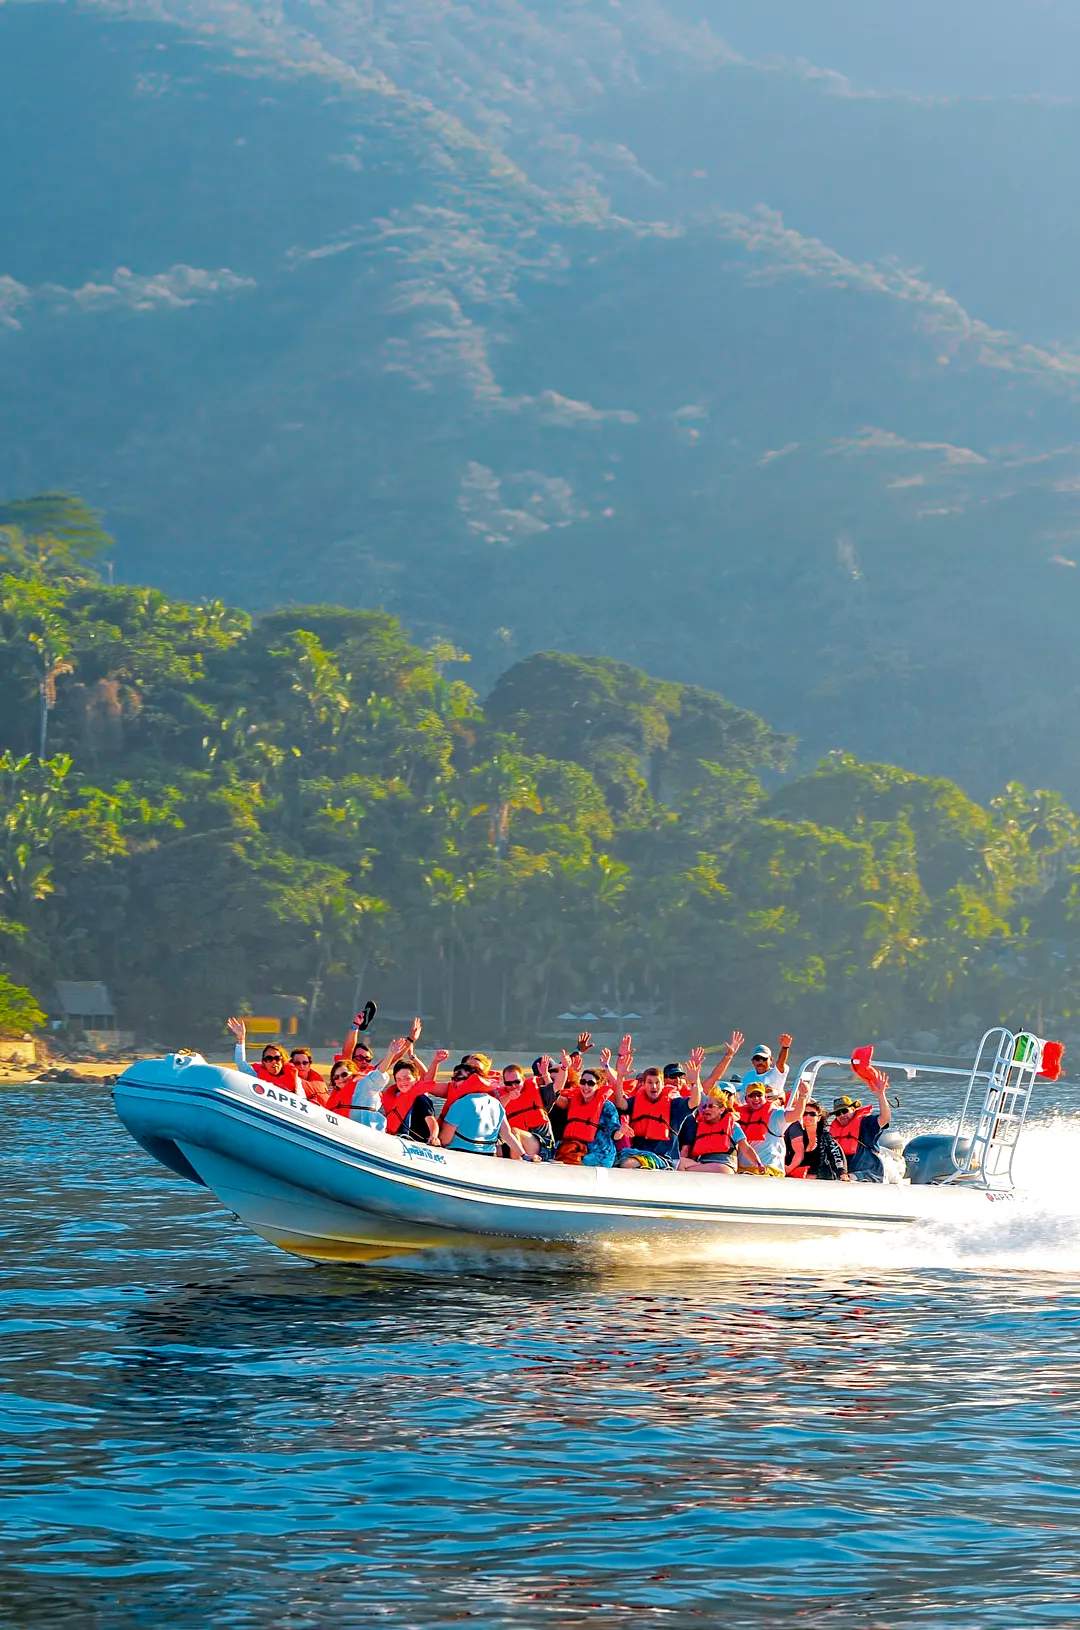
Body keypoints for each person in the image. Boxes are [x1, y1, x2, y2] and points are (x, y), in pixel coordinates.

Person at [616, 1062, 697, 1167]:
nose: (653, 1086)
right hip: (638, 1153)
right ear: (644, 1084)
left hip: (664, 1158)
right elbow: (620, 1104)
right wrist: (620, 1077)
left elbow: (694, 1102)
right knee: (615, 1160)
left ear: (663, 1084)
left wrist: (695, 1082)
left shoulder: (674, 1104)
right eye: (649, 1082)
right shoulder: (636, 1102)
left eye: (657, 1082)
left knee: (628, 1164)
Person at [439, 1072, 534, 1159]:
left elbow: (445, 1140)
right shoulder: (497, 1104)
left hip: (458, 1154)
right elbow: (507, 1135)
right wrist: (524, 1155)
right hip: (488, 1155)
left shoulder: (460, 1103)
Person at [325, 1036, 408, 1129]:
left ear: (352, 1073)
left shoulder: (364, 1084)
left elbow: (379, 1072)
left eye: (344, 1075)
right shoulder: (334, 1096)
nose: (341, 1079)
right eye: (336, 1077)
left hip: (366, 1132)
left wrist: (391, 1054)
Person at [552, 1055, 620, 1167]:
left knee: (574, 1159)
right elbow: (554, 1095)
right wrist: (563, 1068)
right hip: (574, 1147)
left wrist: (622, 1131)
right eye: (583, 1082)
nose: (586, 1086)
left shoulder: (607, 1106)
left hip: (599, 1152)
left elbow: (615, 1134)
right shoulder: (573, 1101)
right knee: (562, 1153)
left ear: (598, 1086)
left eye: (591, 1083)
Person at [679, 1091, 763, 1174]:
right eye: (704, 1107)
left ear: (722, 1109)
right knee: (679, 1163)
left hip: (723, 1166)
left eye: (711, 1106)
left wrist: (758, 1164)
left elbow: (746, 1148)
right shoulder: (699, 1126)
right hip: (703, 1164)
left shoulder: (733, 1126)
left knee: (685, 1171)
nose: (706, 1109)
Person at [828, 1076, 892, 1182]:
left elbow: (885, 1118)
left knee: (849, 1178)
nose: (841, 1115)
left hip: (869, 1173)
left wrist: (881, 1094)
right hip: (842, 1175)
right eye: (837, 1114)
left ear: (853, 1109)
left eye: (845, 1111)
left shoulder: (866, 1123)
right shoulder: (831, 1131)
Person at [227, 1018, 303, 1093]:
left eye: (277, 1058)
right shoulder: (257, 1077)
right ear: (264, 1063)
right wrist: (241, 1039)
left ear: (282, 1061)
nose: (274, 1062)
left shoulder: (295, 1079)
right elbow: (241, 1063)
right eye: (269, 1059)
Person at [500, 1063, 556, 1160]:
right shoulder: (502, 1100)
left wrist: (563, 1068)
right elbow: (495, 1109)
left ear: (523, 1080)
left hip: (543, 1146)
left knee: (514, 1131)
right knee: (494, 1149)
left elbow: (557, 1086)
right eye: (508, 1084)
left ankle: (517, 1169)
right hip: (518, 1144)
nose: (513, 1086)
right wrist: (509, 1097)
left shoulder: (539, 1092)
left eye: (517, 1082)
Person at [382, 1056, 441, 1145]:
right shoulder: (393, 1097)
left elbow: (431, 1120)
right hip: (396, 1139)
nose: (403, 1082)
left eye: (407, 1078)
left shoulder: (421, 1099)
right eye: (399, 1079)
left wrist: (434, 1136)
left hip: (417, 1144)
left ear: (416, 1079)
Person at [786, 1101, 847, 1180]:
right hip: (797, 1177)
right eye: (805, 1113)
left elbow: (836, 1155)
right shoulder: (795, 1135)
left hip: (822, 1178)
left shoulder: (825, 1136)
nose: (808, 1116)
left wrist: (842, 1173)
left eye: (812, 1114)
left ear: (818, 1118)